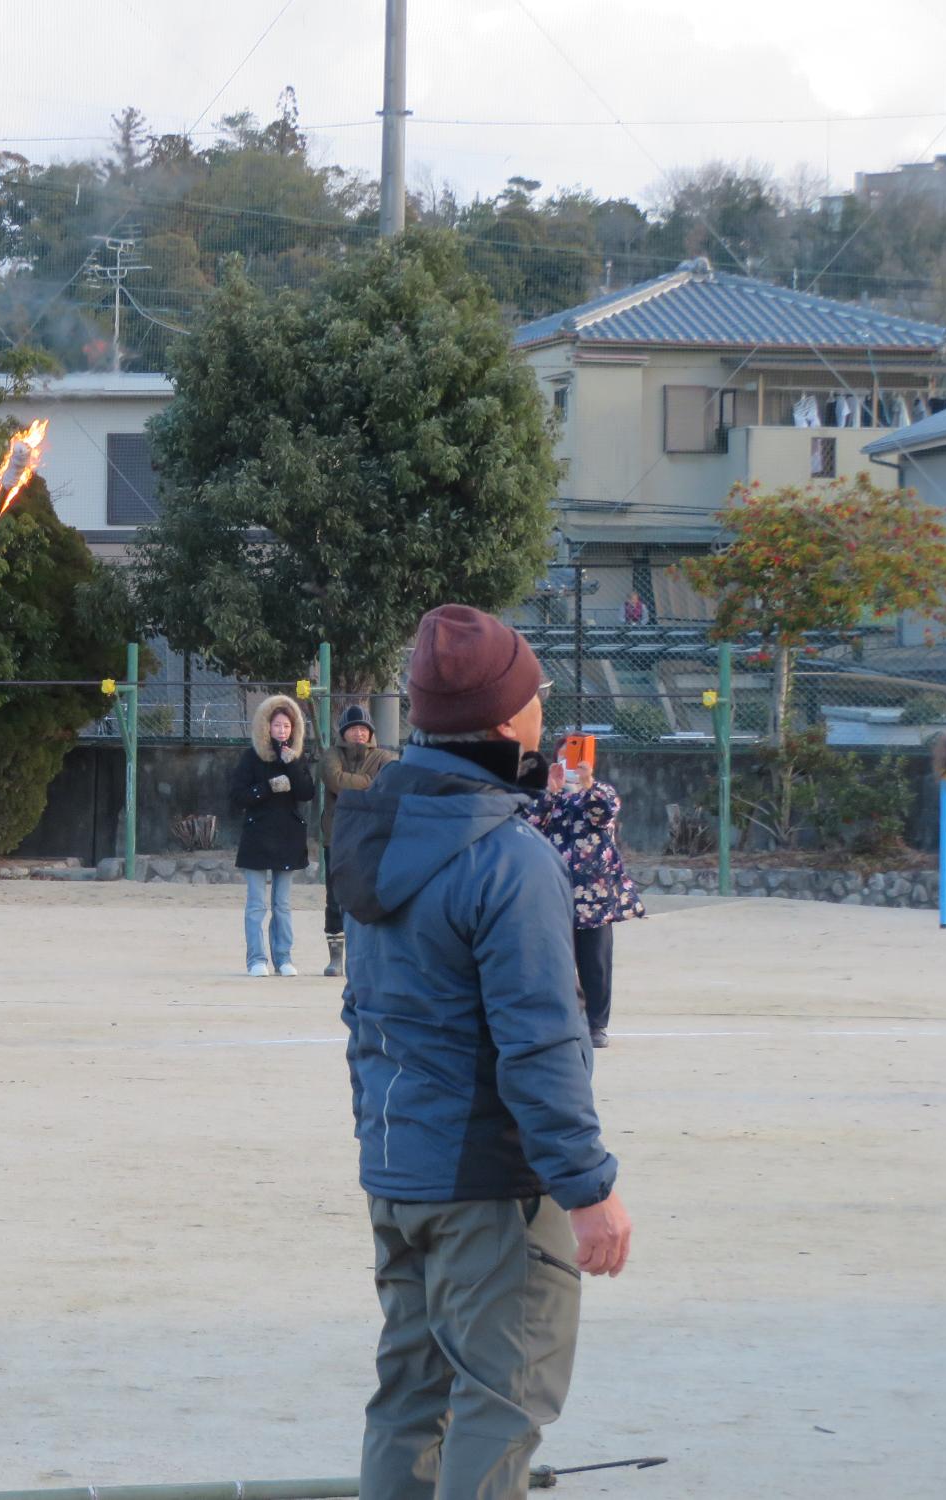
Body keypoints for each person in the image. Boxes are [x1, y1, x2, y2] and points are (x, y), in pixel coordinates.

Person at [330, 603, 633, 1500]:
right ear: (506, 719)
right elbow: (540, 1041)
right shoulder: (509, 856)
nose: (545, 708)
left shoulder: (374, 831)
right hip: (488, 1184)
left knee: (409, 1403)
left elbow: (363, 1014)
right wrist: (588, 1187)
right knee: (503, 1404)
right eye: (536, 694)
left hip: (399, 1168)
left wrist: (383, 1147)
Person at [524, 753, 645, 1050]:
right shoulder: (547, 798)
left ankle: (596, 1025)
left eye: (579, 757)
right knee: (555, 964)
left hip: (594, 896)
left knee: (596, 966)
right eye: (567, 755)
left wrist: (588, 784)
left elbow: (603, 812)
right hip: (555, 895)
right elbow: (529, 822)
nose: (573, 766)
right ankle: (562, 1022)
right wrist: (551, 790)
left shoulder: (601, 793)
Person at [228, 692, 316, 976]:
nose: (282, 731)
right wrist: (266, 788)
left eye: (287, 726)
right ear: (266, 726)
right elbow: (237, 795)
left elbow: (307, 792)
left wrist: (291, 764)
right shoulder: (251, 757)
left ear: (295, 729)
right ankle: (256, 959)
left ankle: (284, 957)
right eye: (277, 725)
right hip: (257, 836)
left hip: (288, 836)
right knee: (256, 903)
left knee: (282, 903)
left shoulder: (296, 756)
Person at [315, 704, 395, 979]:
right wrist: (369, 782)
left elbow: (387, 785)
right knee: (334, 897)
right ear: (343, 733)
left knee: (370, 896)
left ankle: (367, 955)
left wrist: (365, 784)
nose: (358, 734)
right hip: (335, 837)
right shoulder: (331, 755)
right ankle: (335, 958)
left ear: (370, 732)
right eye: (353, 730)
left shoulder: (386, 757)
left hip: (371, 836)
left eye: (363, 729)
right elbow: (334, 780)